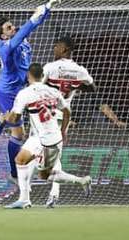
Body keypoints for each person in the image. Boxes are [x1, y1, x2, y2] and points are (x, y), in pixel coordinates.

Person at [0, 0, 59, 182]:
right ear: (3, 36)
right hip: (8, 90)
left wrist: (44, 10)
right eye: (8, 28)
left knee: (16, 130)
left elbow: (30, 26)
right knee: (16, 130)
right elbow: (25, 30)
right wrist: (42, 10)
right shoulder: (6, 47)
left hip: (19, 87)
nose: (13, 28)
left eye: (12, 25)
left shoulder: (16, 38)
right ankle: (12, 170)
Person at [1, 63, 91, 209]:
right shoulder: (53, 91)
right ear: (43, 76)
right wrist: (64, 130)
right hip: (45, 136)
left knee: (45, 175)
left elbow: (15, 119)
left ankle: (81, 181)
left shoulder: (25, 93)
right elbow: (67, 111)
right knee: (20, 159)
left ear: (28, 76)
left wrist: (5, 118)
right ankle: (24, 199)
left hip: (48, 141)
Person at [41, 34, 95, 207]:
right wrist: (75, 86)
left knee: (41, 159)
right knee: (54, 157)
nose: (54, 48)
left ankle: (46, 194)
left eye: (56, 46)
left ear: (64, 48)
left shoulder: (49, 67)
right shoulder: (80, 70)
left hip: (46, 116)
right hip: (62, 117)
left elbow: (37, 87)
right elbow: (92, 87)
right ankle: (54, 195)